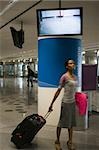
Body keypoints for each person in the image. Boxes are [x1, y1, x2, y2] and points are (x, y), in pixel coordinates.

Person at [48, 59, 77, 150]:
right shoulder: (64, 77)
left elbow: (74, 90)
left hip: (72, 102)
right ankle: (57, 141)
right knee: (61, 123)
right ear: (67, 66)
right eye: (70, 63)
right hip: (66, 102)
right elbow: (58, 91)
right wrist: (51, 103)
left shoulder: (75, 77)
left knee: (71, 123)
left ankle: (70, 141)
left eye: (73, 63)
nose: (72, 64)